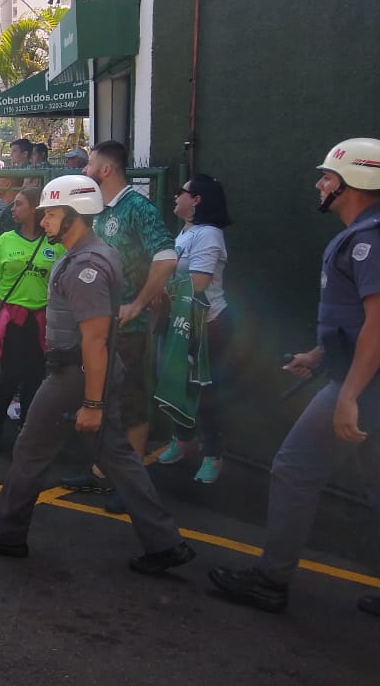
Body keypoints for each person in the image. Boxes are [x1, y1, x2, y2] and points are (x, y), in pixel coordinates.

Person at [0, 174, 195, 580]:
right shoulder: (92, 253)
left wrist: (92, 402)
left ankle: (8, 532)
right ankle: (165, 542)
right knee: (119, 457)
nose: (45, 222)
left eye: (51, 215)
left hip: (74, 374)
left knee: (30, 450)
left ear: (73, 216)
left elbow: (96, 339)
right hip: (86, 373)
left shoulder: (85, 265)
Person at [210, 138, 380, 617]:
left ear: (354, 182)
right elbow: (361, 323)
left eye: (328, 176)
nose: (319, 183)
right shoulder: (365, 235)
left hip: (363, 384)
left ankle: (270, 580)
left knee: (294, 468)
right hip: (357, 376)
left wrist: (348, 392)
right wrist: (321, 352)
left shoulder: (369, 239)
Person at [63, 141, 178, 513]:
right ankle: (101, 472)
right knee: (101, 400)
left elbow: (165, 258)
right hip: (98, 326)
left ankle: (132, 485)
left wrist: (139, 303)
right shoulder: (97, 211)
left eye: (89, 164)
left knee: (130, 402)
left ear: (107, 170)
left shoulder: (137, 209)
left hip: (128, 329)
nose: (84, 170)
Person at [155, 174, 232, 483]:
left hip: (206, 325)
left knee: (204, 391)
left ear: (196, 200)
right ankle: (183, 440)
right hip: (180, 322)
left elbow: (198, 283)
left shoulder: (209, 234)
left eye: (181, 193)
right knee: (178, 384)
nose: (176, 197)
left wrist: (161, 286)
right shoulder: (186, 232)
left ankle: (213, 454)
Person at [0, 187, 64, 450]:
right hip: (11, 319)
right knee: (9, 374)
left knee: (35, 377)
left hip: (40, 320)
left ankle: (27, 428)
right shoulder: (5, 240)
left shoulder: (55, 244)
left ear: (34, 209)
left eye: (19, 204)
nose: (13, 209)